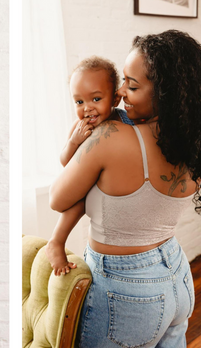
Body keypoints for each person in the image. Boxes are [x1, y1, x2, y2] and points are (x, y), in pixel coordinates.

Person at [49, 30, 201, 348]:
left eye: (132, 85)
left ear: (166, 93)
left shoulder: (112, 137)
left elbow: (57, 198)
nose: (121, 92)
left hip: (127, 294)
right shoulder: (195, 142)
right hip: (176, 275)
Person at [45, 56, 134, 276]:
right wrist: (74, 141)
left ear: (114, 99)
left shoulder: (125, 122)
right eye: (79, 102)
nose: (87, 108)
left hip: (114, 187)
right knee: (79, 202)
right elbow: (67, 162)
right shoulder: (81, 127)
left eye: (95, 99)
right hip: (86, 184)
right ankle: (56, 241)